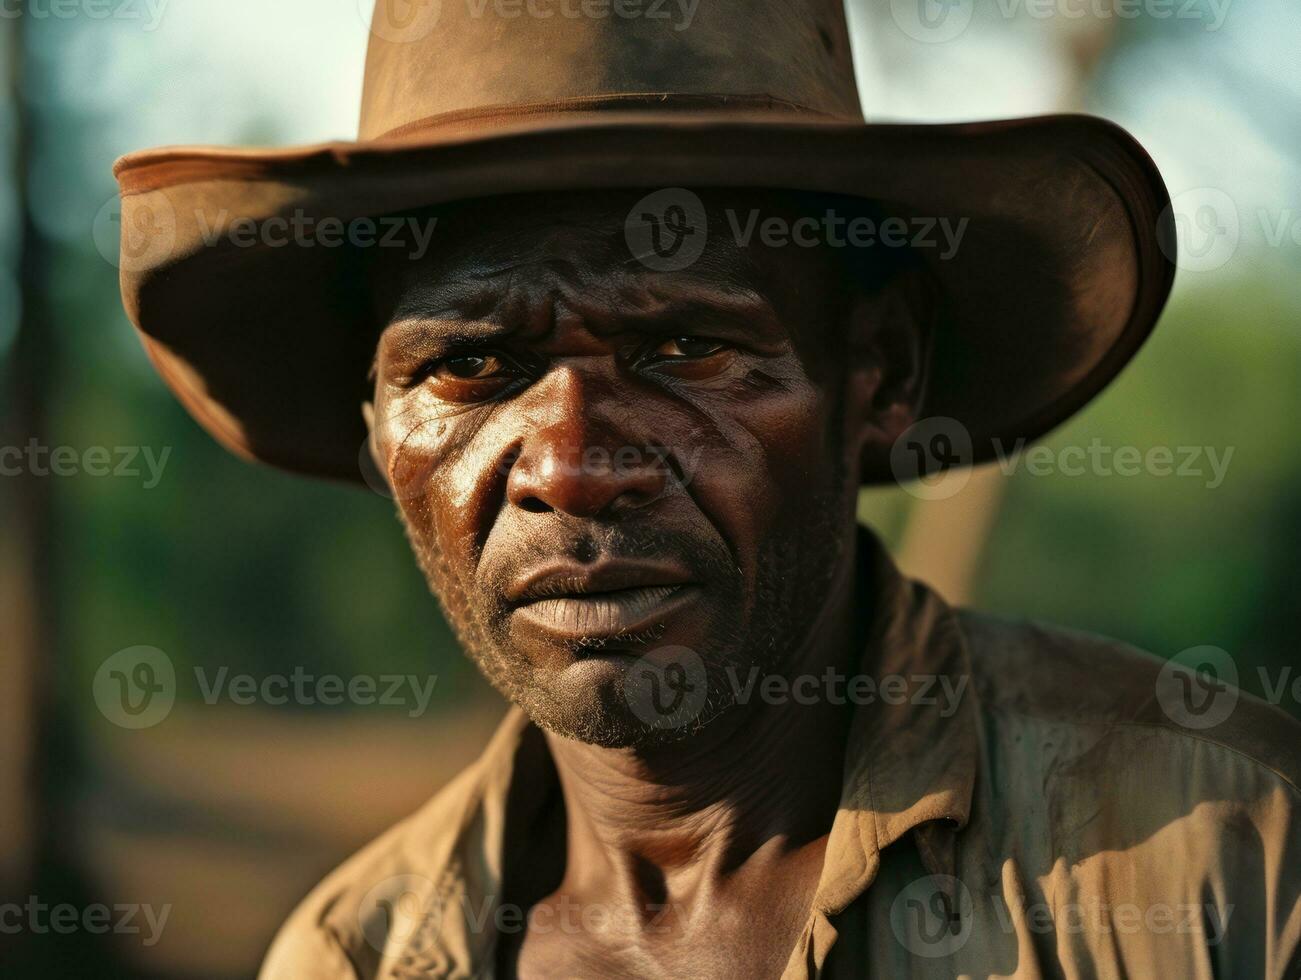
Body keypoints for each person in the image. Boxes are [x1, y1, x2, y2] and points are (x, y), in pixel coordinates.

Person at [113, 1, 1300, 976]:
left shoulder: (1221, 859)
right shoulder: (351, 957)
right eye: (472, 365)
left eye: (684, 350)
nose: (573, 466)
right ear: (382, 429)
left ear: (877, 372)